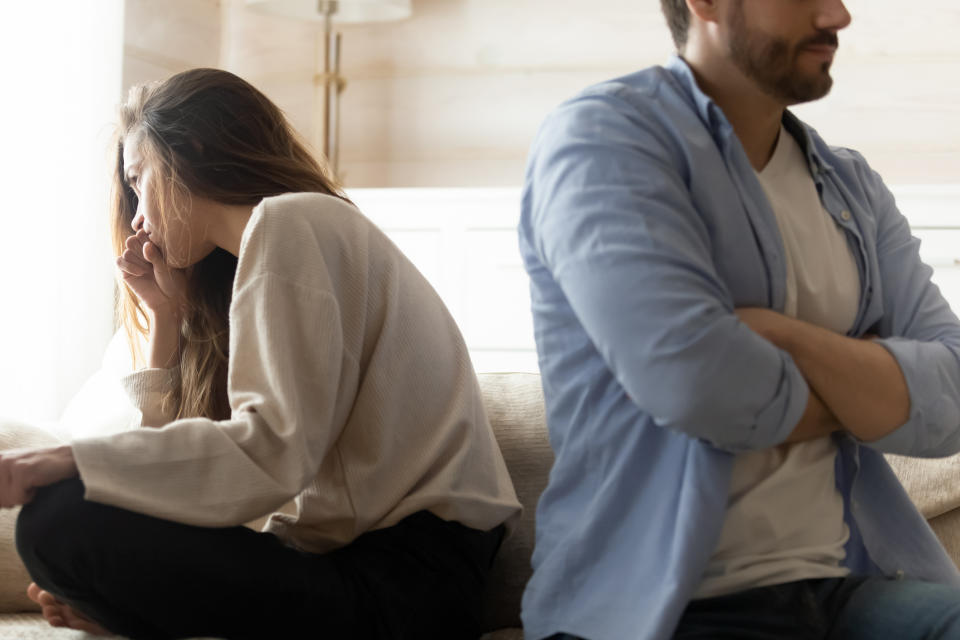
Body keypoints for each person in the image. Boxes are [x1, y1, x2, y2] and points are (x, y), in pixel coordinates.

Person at [0, 67, 521, 640]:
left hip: (406, 581)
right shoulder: (269, 254)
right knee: (66, 525)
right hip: (357, 570)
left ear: (192, 151)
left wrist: (72, 460)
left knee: (59, 520)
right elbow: (194, 477)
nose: (139, 218)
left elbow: (271, 453)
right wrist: (168, 319)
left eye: (137, 179)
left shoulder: (292, 219)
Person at [518, 1, 960, 639]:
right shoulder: (602, 141)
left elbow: (951, 400)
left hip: (842, 589)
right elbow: (701, 388)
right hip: (661, 611)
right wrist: (870, 383)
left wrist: (781, 335)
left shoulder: (852, 186)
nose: (838, 16)